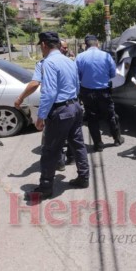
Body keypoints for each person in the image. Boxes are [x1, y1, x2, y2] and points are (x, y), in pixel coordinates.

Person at [27, 31, 90, 200]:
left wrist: (41, 116)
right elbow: (76, 85)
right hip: (75, 106)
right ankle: (84, 177)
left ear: (44, 45)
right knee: (78, 145)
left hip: (61, 111)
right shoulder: (69, 60)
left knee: (50, 150)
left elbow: (49, 93)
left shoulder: (49, 63)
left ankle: (45, 187)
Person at [75, 34, 124, 152]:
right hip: (104, 92)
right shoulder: (106, 56)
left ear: (86, 46)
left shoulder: (79, 57)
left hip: (87, 92)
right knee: (111, 115)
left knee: (92, 118)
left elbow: (77, 76)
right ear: (97, 43)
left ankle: (98, 144)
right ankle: (117, 139)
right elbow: (113, 74)